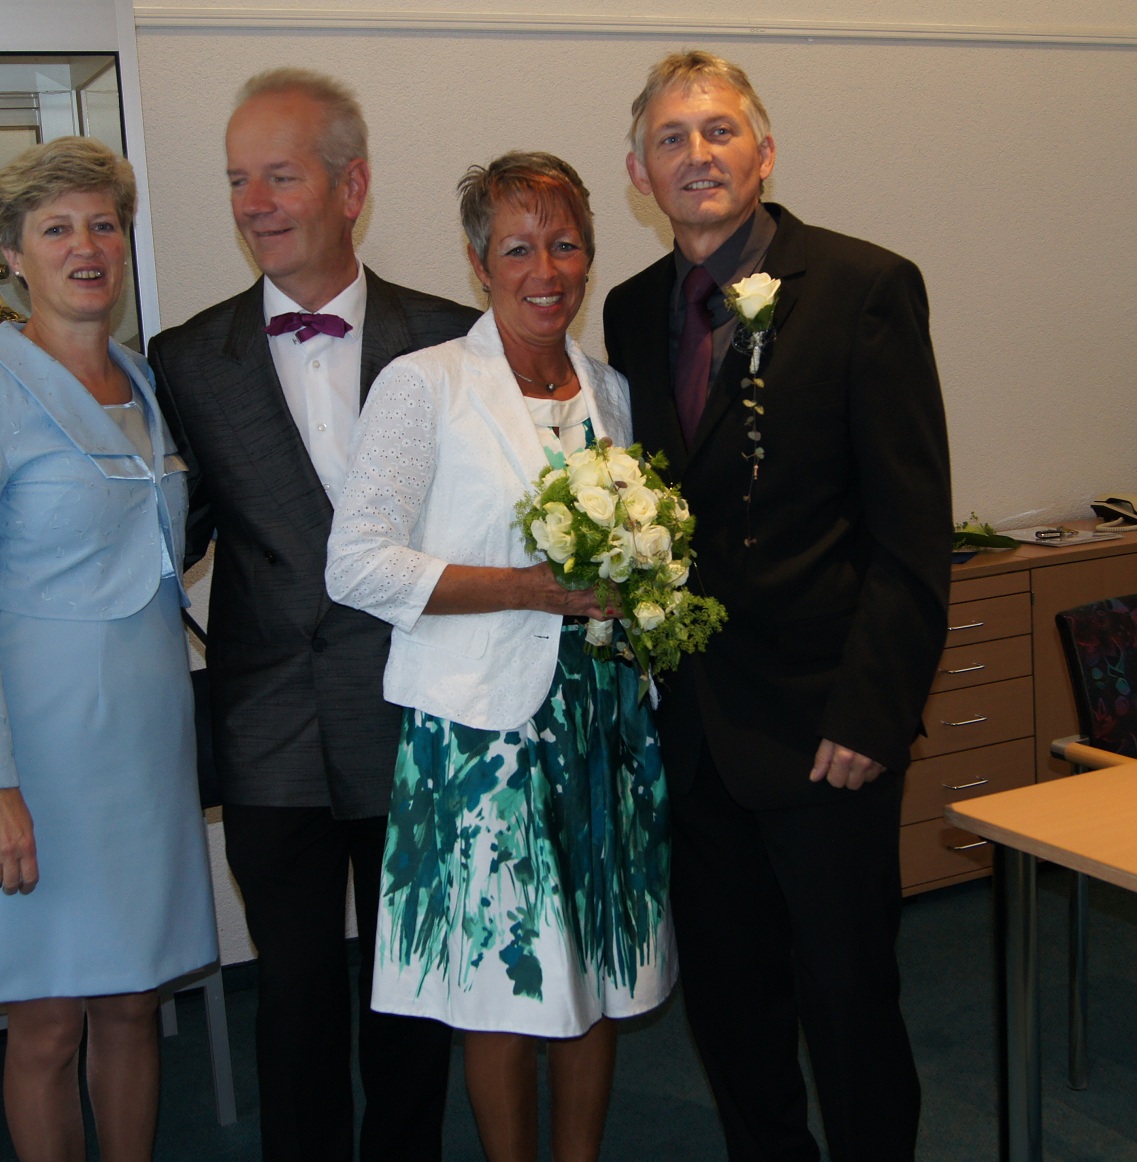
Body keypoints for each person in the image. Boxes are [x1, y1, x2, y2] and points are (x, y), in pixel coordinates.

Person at [603, 50, 952, 1161]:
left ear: (763, 153)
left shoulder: (862, 287)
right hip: (694, 730)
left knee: (848, 1002)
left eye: (717, 130)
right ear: (639, 173)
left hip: (822, 730)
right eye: (670, 138)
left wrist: (872, 712)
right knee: (731, 1003)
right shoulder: (628, 311)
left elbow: (910, 531)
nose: (695, 154)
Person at [147, 69, 479, 1162]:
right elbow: (172, 534)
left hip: (415, 710)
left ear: (353, 186)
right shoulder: (185, 358)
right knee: (291, 997)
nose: (253, 204)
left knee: (412, 987)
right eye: (237, 181)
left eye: (279, 176)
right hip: (271, 723)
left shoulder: (452, 340)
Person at [326, 151, 676, 1162]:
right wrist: (524, 588)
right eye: (517, 248)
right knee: (503, 983)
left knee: (598, 970)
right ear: (480, 265)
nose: (544, 269)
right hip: (484, 735)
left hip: (603, 720)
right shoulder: (424, 384)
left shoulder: (609, 390)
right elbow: (357, 563)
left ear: (590, 257)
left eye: (564, 245)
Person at [0, 136, 219, 1162]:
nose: (86, 247)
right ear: (13, 255)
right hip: (34, 751)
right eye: (57, 229)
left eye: (103, 225)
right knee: (45, 1020)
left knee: (132, 998)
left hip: (144, 740)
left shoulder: (145, 379)